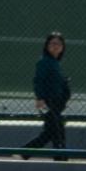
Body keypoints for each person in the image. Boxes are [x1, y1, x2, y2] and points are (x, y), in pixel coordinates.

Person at [23, 31, 70, 160]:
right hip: (49, 102)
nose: (56, 46)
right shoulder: (44, 62)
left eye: (59, 44)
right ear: (47, 46)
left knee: (51, 131)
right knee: (57, 130)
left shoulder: (55, 63)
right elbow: (38, 81)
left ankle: (24, 152)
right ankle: (60, 158)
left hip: (57, 103)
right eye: (52, 43)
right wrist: (40, 98)